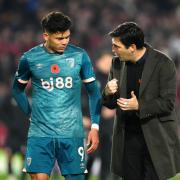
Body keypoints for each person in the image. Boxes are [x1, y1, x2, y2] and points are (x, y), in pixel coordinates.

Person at [12, 11, 101, 180]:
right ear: (46, 35)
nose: (65, 42)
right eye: (60, 38)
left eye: (67, 37)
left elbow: (94, 93)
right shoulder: (30, 58)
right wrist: (30, 114)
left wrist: (95, 127)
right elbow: (17, 90)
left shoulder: (80, 56)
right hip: (40, 134)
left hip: (72, 133)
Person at [102, 22, 180, 180]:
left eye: (117, 46)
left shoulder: (163, 64)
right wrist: (107, 92)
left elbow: (168, 104)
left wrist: (139, 105)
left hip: (155, 138)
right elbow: (110, 104)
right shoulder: (116, 64)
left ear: (131, 47)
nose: (113, 51)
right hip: (128, 138)